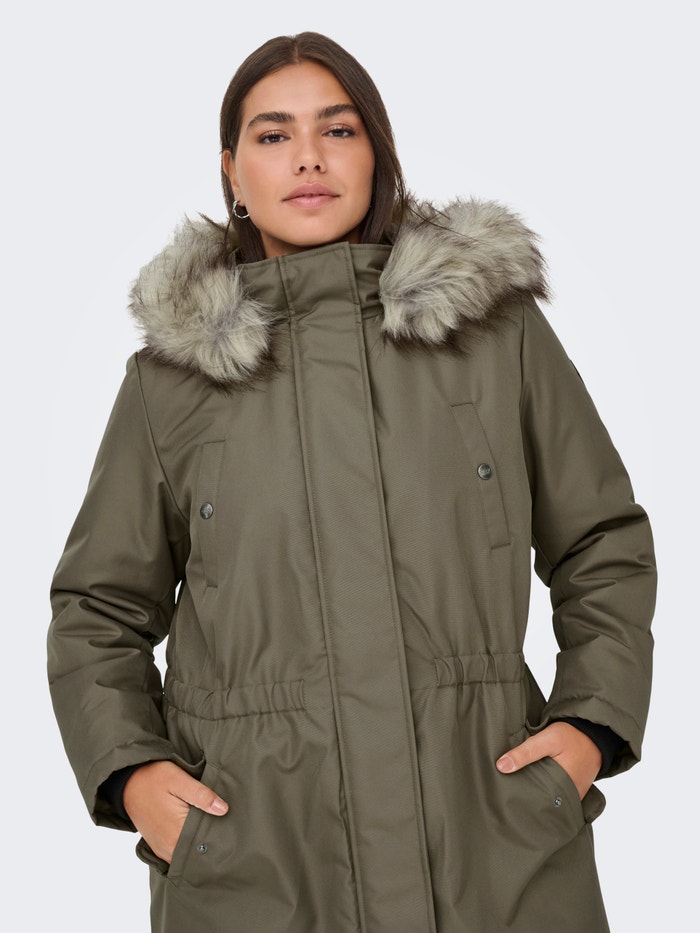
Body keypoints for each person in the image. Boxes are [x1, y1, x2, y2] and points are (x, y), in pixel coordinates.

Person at [48, 31, 656, 933]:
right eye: (272, 135)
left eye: (338, 130)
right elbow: (98, 607)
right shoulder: (170, 384)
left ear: (378, 153)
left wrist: (590, 728)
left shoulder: (497, 338)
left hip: (496, 844)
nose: (308, 157)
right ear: (232, 172)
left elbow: (601, 541)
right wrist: (134, 774)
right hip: (258, 859)